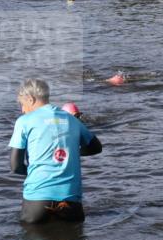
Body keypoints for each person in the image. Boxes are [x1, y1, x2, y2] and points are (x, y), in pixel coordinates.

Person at [9, 79, 102, 224]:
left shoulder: (24, 121)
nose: (22, 110)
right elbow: (96, 147)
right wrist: (73, 154)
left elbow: (15, 166)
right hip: (71, 200)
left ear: (31, 99)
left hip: (37, 201)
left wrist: (37, 171)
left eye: (22, 104)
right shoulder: (72, 119)